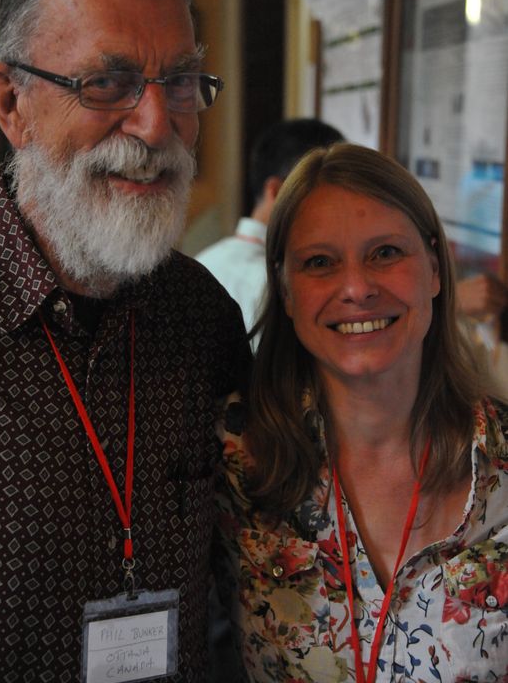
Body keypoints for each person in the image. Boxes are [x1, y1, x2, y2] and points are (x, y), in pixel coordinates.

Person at [0, 0, 249, 683]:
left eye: (181, 81)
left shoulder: (201, 315)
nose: (157, 126)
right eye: (107, 83)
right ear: (12, 103)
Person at [216, 144, 508, 682]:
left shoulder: (501, 460)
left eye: (385, 253)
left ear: (435, 269)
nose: (356, 288)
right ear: (285, 291)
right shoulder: (233, 456)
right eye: (320, 262)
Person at [196, 118, 343, 335]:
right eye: (329, 193)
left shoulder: (204, 260)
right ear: (277, 190)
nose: (339, 209)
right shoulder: (275, 282)